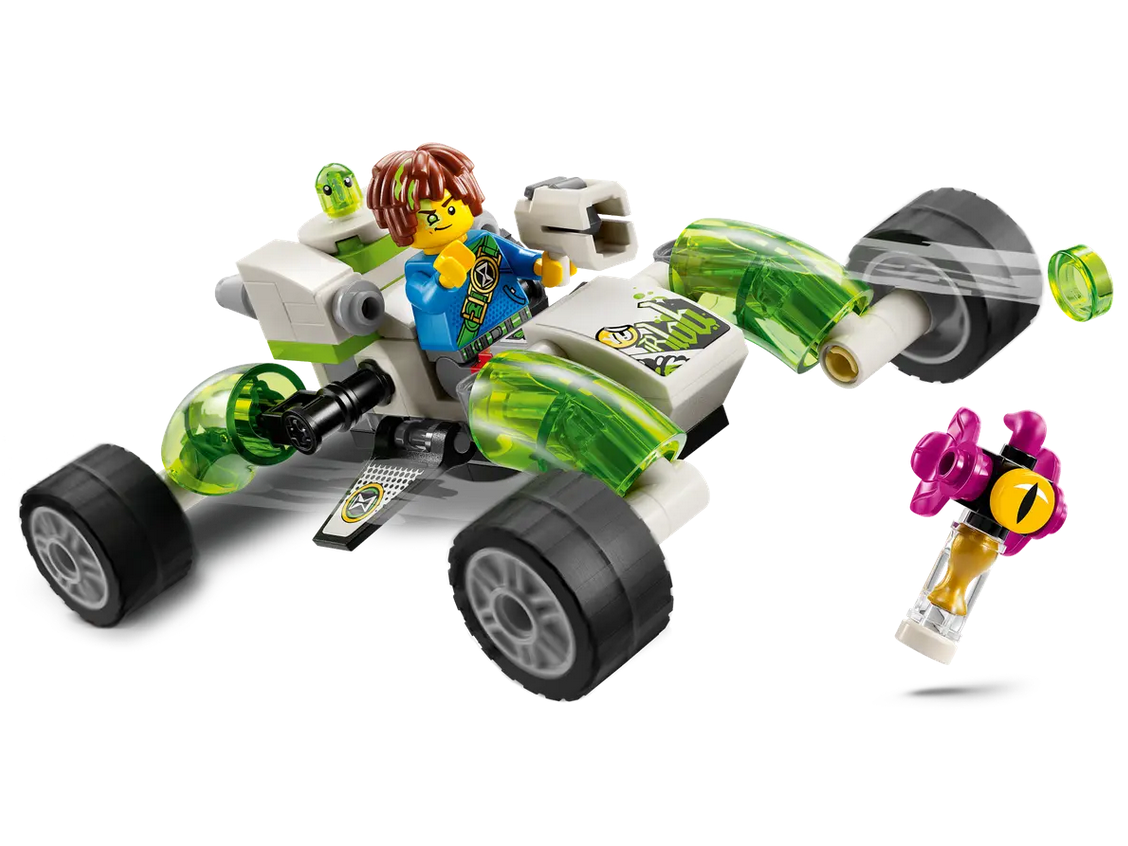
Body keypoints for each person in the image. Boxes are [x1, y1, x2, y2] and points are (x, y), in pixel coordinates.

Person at [367, 143, 570, 362]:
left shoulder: (484, 240)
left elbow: (516, 258)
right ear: (401, 224)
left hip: (519, 322)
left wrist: (541, 265)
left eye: (451, 208)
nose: (443, 220)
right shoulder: (419, 268)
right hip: (464, 354)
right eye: (430, 218)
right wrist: (444, 282)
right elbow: (427, 301)